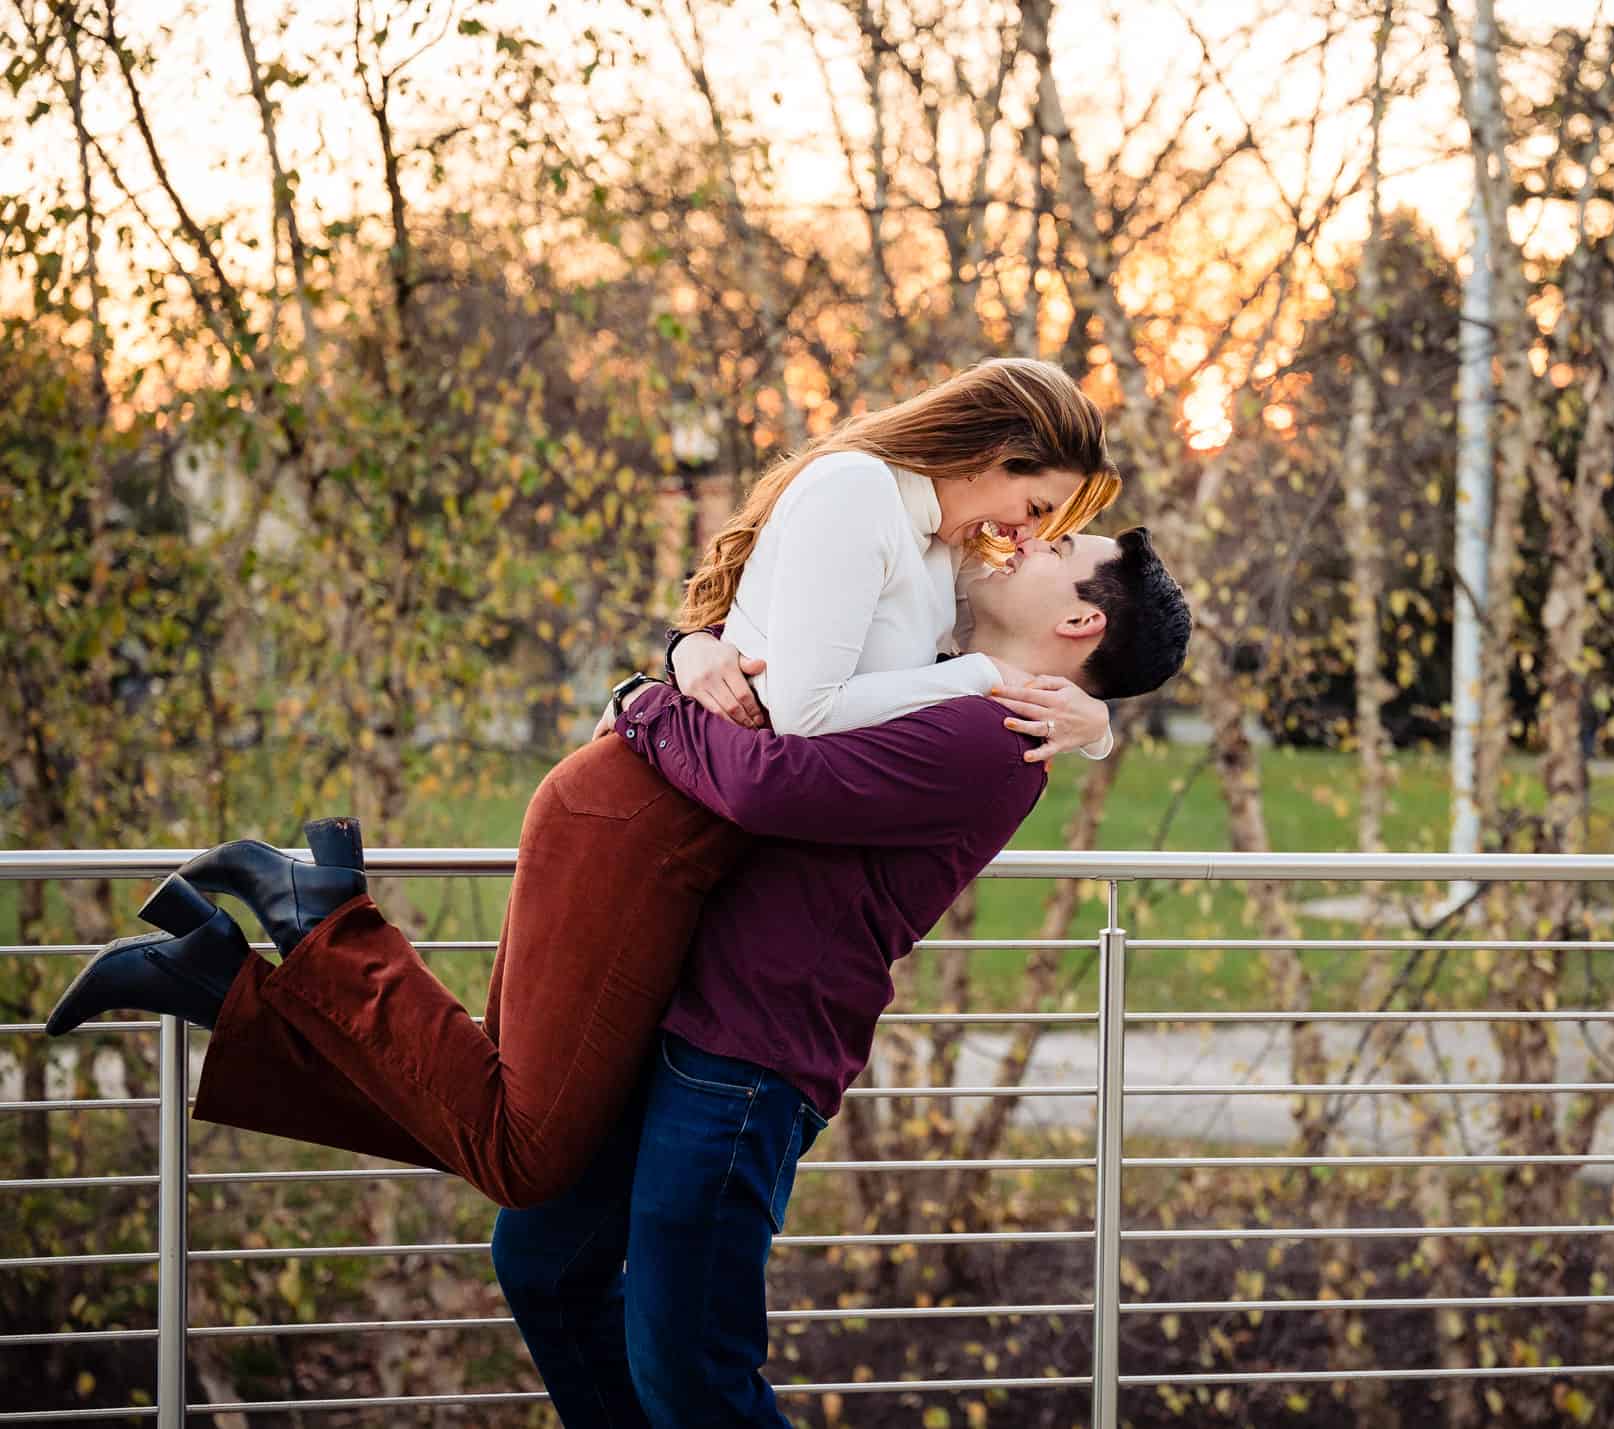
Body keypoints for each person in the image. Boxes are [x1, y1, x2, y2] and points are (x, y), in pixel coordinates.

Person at [43, 358, 1126, 1209]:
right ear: (991, 448)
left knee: (524, 1120)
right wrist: (982, 672)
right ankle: (311, 917)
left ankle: (221, 981)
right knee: (528, 1154)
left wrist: (1094, 731)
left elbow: (900, 672)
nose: (1027, 532)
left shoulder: (934, 549)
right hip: (634, 824)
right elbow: (802, 713)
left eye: (1049, 527)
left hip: (683, 834)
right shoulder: (855, 492)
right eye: (1035, 501)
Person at [494, 526, 1189, 1427]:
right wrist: (685, 652)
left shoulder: (990, 734)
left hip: (743, 1061)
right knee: (545, 1264)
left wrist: (643, 705)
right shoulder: (933, 672)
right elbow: (766, 663)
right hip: (677, 1020)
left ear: (1081, 617)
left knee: (693, 1372)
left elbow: (765, 782)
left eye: (1056, 548)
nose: (1024, 543)